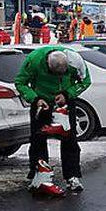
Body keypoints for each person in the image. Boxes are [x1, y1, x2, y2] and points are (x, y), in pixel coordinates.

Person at [14, 46, 92, 194]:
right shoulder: (34, 60)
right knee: (38, 140)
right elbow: (20, 83)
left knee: (70, 140)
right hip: (42, 103)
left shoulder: (75, 61)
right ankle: (39, 174)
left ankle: (72, 176)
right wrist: (35, 99)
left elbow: (85, 81)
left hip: (65, 104)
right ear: (47, 65)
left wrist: (67, 94)